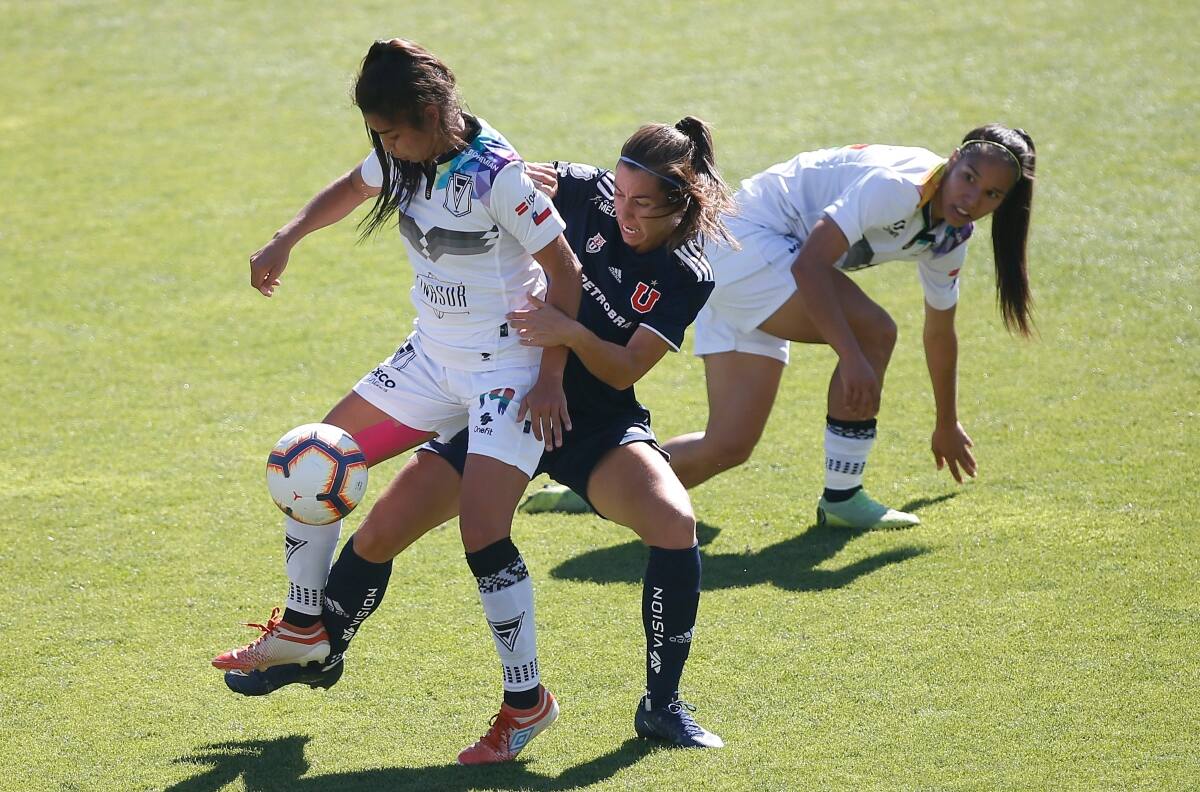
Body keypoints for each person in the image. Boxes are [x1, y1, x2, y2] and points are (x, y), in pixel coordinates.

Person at [223, 119, 739, 757]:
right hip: (501, 395)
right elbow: (501, 181)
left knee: (673, 521)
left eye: (640, 205)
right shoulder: (580, 191)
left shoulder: (685, 273)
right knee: (383, 529)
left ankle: (662, 706)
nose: (622, 210)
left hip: (592, 423)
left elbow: (624, 368)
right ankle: (317, 648)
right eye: (619, 195)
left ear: (680, 205)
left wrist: (569, 334)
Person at [212, 38, 583, 762]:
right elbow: (352, 188)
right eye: (377, 136)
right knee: (309, 459)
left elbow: (562, 274)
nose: (383, 148)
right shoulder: (403, 156)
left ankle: (527, 702)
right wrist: (286, 237)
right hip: (430, 361)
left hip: (505, 369)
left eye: (391, 133)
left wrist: (549, 375)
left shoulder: (499, 177)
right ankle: (303, 626)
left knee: (483, 533)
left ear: (434, 111)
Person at [661, 125, 1037, 529]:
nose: (972, 199)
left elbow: (940, 331)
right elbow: (810, 265)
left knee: (728, 445)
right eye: (969, 179)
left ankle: (595, 478)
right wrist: (851, 354)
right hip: (742, 240)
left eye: (992, 195)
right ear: (954, 158)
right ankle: (843, 497)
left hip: (746, 255)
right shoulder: (897, 187)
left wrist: (947, 421)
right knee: (874, 332)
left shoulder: (950, 237)